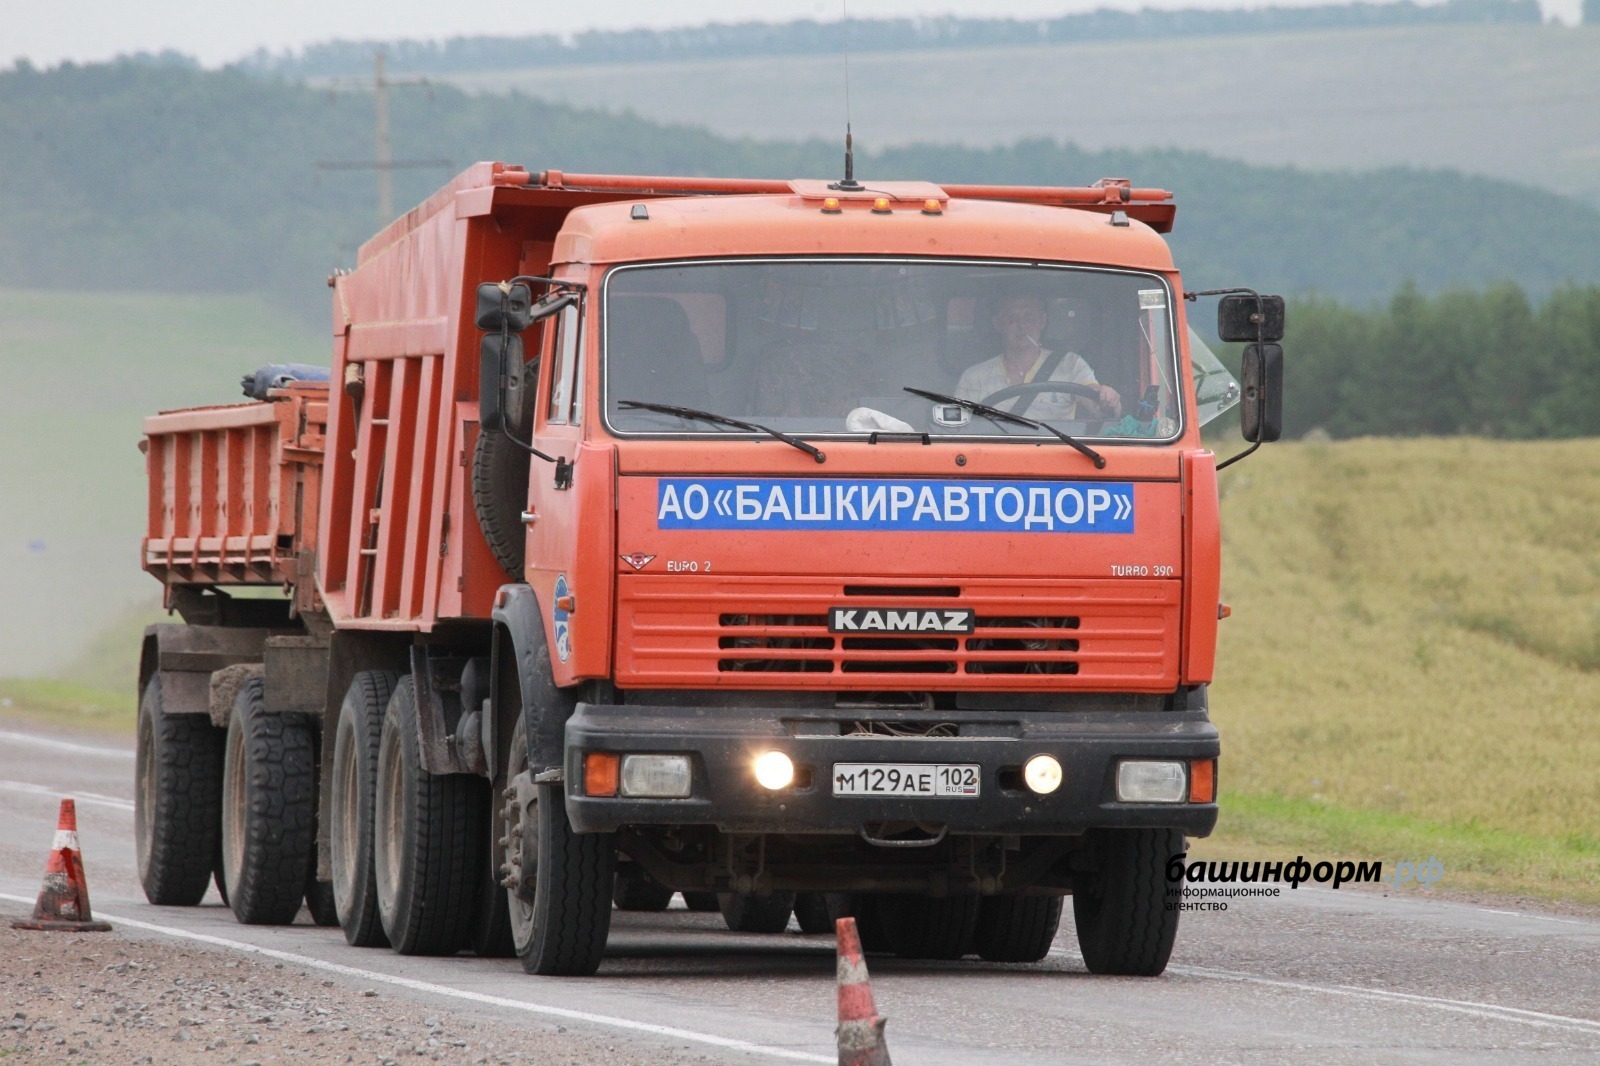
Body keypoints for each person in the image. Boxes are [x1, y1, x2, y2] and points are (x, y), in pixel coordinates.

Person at [954, 294, 1121, 422]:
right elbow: (957, 427)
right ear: (998, 324)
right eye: (1012, 318)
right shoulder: (974, 377)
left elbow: (1099, 407)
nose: (1021, 325)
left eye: (1029, 317)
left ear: (1042, 321)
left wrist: (1107, 398)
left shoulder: (1070, 364)